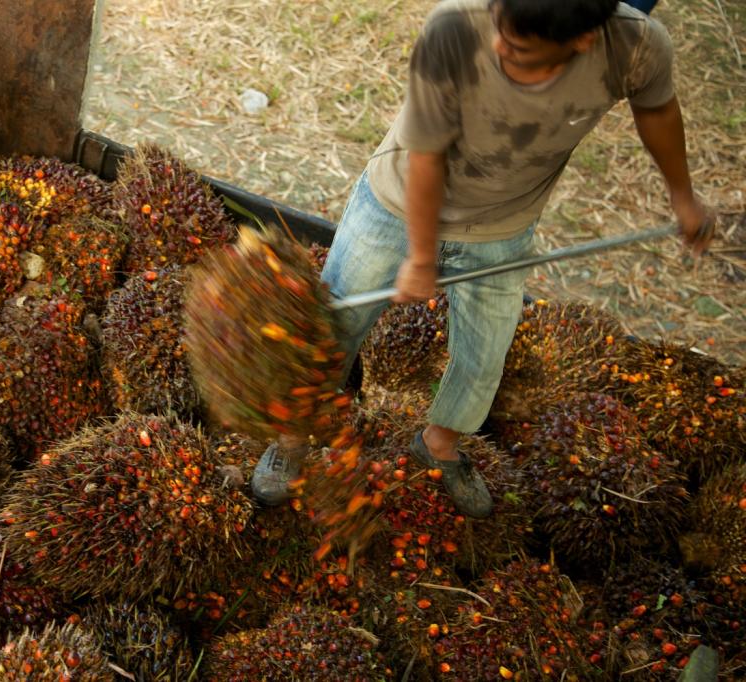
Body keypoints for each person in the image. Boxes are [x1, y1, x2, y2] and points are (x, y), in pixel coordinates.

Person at [252, 0, 713, 516]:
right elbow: (428, 155)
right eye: (500, 28)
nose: (499, 46)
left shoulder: (636, 46)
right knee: (337, 318)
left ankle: (438, 446)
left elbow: (657, 110)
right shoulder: (454, 29)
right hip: (397, 203)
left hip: (502, 223)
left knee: (484, 352)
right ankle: (292, 438)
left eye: (518, 48)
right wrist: (422, 257)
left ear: (582, 41)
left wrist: (683, 196)